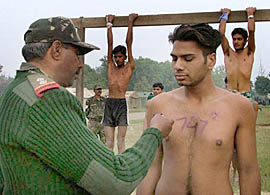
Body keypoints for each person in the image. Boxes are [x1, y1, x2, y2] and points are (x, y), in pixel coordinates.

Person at [0, 16, 174, 194]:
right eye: (77, 54)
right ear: (57, 50)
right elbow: (117, 181)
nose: (81, 64)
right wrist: (154, 133)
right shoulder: (48, 99)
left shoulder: (14, 92)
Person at [136, 23, 260, 195]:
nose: (178, 66)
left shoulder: (239, 108)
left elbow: (248, 171)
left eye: (187, 59)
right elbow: (151, 166)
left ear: (211, 60)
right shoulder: (158, 105)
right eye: (174, 58)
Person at [103, 13, 138, 154]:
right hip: (110, 103)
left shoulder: (129, 66)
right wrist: (109, 24)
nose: (117, 59)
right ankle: (108, 167)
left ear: (125, 57)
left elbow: (129, 43)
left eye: (120, 56)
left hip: (121, 104)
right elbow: (109, 43)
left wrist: (130, 22)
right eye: (116, 56)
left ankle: (121, 169)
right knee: (109, 142)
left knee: (120, 142)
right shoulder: (110, 66)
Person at [219, 7, 258, 116]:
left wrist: (250, 15)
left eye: (239, 39)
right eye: (234, 39)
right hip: (231, 93)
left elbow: (251, 31)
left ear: (245, 41)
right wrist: (225, 15)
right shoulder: (228, 53)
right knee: (230, 126)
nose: (236, 42)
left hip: (245, 94)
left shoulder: (249, 52)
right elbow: (221, 34)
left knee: (246, 127)